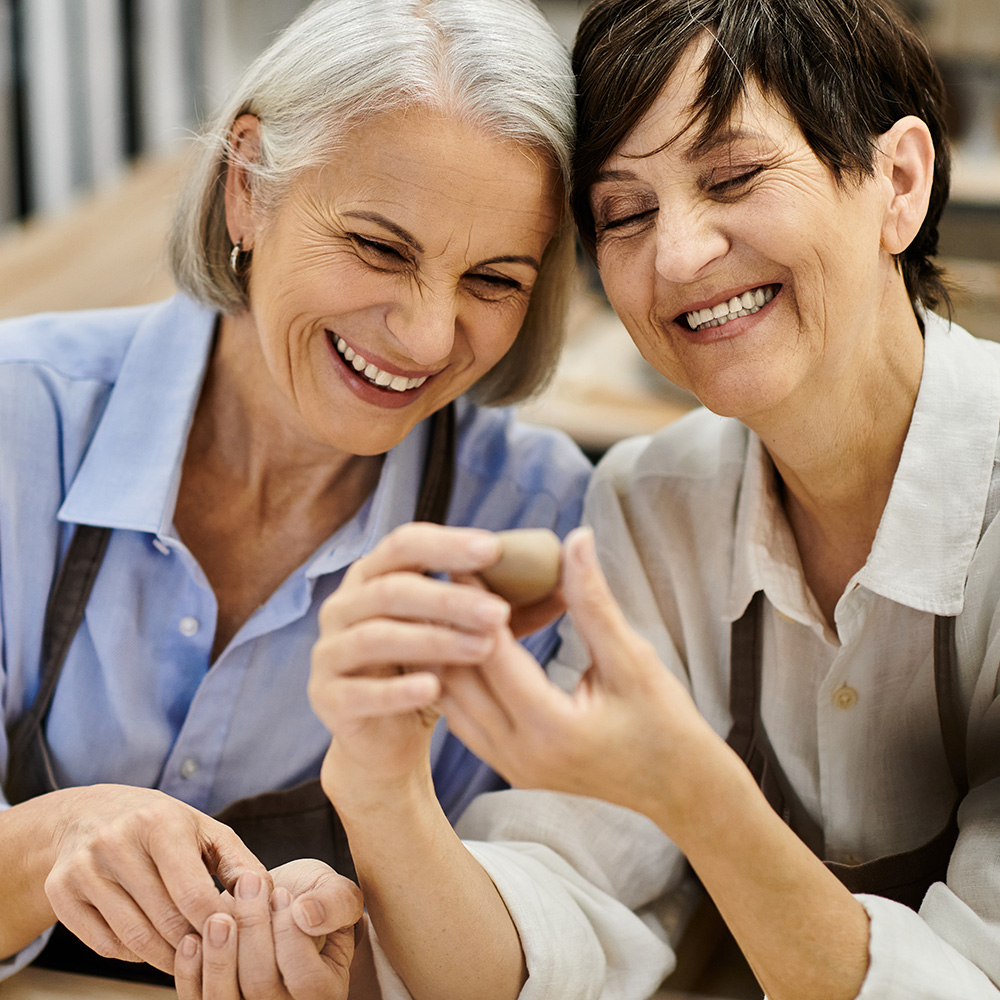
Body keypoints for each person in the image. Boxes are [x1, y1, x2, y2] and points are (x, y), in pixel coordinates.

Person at [314, 0, 1000, 997]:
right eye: (625, 214)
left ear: (897, 181)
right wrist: (382, 795)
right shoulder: (651, 507)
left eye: (734, 177)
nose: (676, 257)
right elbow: (560, 911)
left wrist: (697, 795)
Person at [0, 0, 593, 996]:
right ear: (247, 189)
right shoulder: (21, 421)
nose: (423, 335)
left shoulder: (533, 525)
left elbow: (535, 941)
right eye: (377, 246)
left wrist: (357, 960)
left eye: (492, 279)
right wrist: (53, 841)